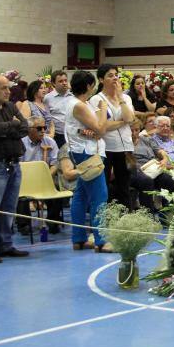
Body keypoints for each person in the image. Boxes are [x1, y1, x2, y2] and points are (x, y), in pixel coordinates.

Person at [67, 71, 113, 253]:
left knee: (81, 195)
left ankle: (78, 238)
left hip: (85, 151)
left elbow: (94, 130)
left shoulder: (80, 104)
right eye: (93, 85)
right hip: (87, 153)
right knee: (100, 196)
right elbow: (101, 129)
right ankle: (101, 241)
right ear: (87, 86)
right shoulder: (79, 105)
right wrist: (103, 108)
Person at [0, 75, 30, 263]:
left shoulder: (11, 106)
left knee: (9, 208)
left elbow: (25, 128)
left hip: (14, 164)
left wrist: (7, 128)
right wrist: (13, 124)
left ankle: (6, 245)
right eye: (3, 88)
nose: (8, 91)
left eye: (8, 88)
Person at [89, 64, 135, 208]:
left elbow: (130, 118)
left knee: (124, 187)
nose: (115, 78)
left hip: (125, 147)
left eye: (116, 75)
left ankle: (125, 219)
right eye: (110, 75)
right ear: (101, 79)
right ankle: (105, 217)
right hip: (106, 147)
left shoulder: (126, 97)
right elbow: (103, 126)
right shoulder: (97, 99)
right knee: (105, 186)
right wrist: (123, 122)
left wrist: (120, 96)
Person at [17, 116, 63, 235]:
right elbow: (19, 166)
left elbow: (55, 164)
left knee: (57, 191)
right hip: (26, 180)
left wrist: (46, 176)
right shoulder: (21, 143)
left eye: (45, 127)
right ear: (29, 129)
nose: (43, 131)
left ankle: (52, 221)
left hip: (46, 179)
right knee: (20, 194)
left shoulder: (50, 142)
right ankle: (24, 225)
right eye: (39, 128)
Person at [130, 119, 174, 216]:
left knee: (170, 180)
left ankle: (168, 213)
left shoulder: (146, 139)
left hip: (152, 167)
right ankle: (148, 215)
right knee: (146, 181)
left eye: (136, 130)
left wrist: (164, 159)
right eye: (131, 130)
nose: (134, 133)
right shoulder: (125, 142)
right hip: (135, 169)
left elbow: (161, 152)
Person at [43, 70, 73, 148]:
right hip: (57, 135)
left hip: (72, 135)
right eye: (60, 81)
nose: (64, 83)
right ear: (53, 83)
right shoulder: (47, 98)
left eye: (65, 80)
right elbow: (47, 117)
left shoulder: (73, 96)